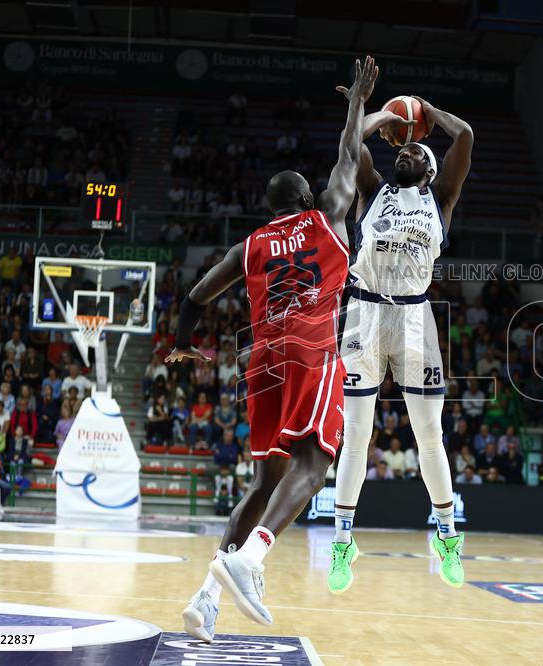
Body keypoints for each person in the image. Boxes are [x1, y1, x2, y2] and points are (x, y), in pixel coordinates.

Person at [168, 56, 378, 640]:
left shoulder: (250, 245)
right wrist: (357, 103)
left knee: (264, 483)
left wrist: (184, 345)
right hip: (312, 347)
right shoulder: (327, 216)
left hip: (262, 361)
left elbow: (194, 297)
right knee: (317, 463)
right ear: (308, 197)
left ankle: (206, 598)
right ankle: (252, 558)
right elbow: (348, 156)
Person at [330, 82, 474, 594]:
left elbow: (465, 135)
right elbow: (352, 147)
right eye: (403, 150)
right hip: (364, 313)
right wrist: (375, 114)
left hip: (415, 318)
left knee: (428, 436)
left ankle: (447, 535)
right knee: (355, 435)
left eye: (417, 151)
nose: (407, 152)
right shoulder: (374, 192)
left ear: (431, 170)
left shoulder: (441, 199)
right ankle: (343, 541)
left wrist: (428, 110)